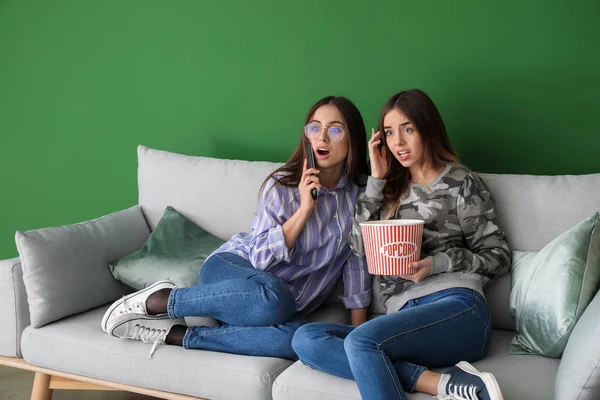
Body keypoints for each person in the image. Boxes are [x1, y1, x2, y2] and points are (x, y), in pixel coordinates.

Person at [101, 95, 372, 360]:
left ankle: (179, 336)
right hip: (232, 271)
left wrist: (358, 334)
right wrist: (304, 210)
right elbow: (259, 259)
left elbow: (356, 262)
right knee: (276, 300)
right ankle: (163, 300)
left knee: (304, 338)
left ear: (353, 140)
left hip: (267, 309)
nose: (322, 138)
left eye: (335, 130)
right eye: (315, 128)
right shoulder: (282, 187)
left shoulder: (359, 195)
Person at [292, 89, 511, 400]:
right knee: (307, 338)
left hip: (458, 309)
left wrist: (436, 264)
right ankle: (444, 384)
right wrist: (377, 180)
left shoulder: (461, 183)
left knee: (360, 342)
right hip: (400, 320)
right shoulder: (387, 190)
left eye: (408, 129)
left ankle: (439, 380)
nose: (398, 143)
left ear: (428, 129)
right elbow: (358, 247)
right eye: (390, 132)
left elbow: (498, 256)